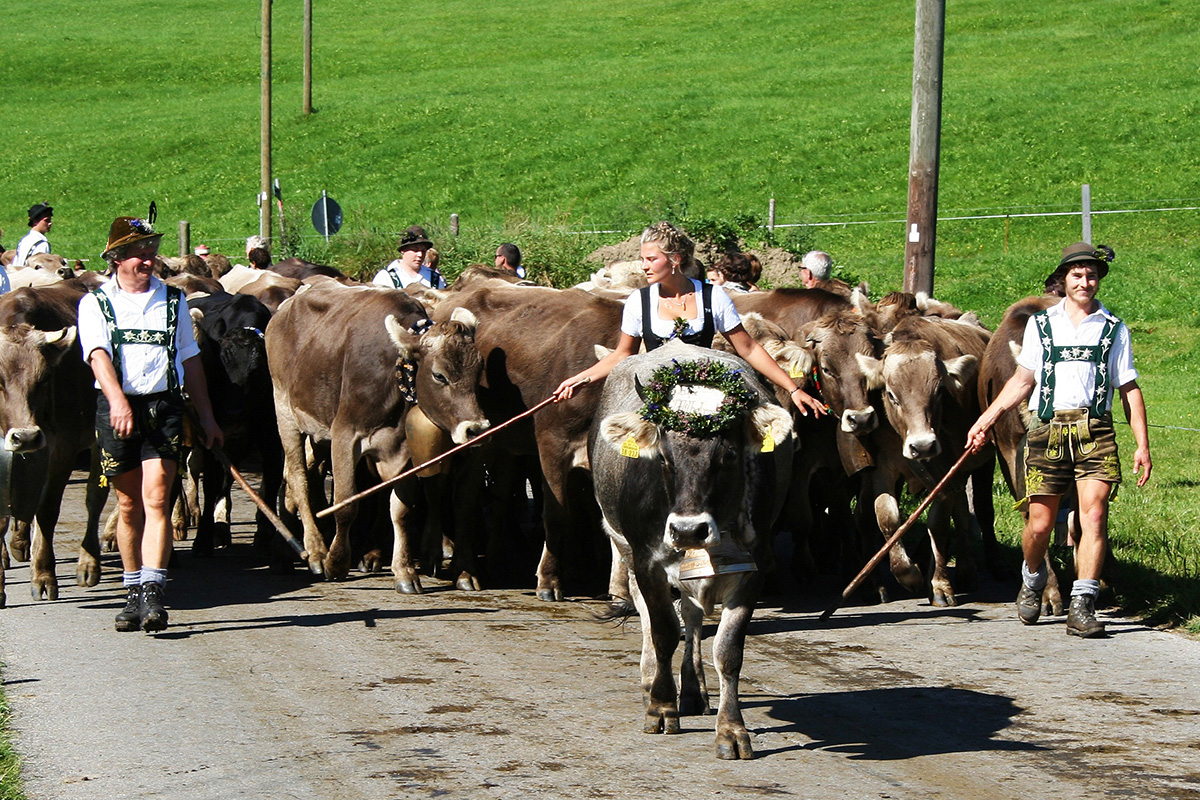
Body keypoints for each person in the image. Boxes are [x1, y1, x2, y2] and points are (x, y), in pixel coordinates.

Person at [966, 242, 1151, 639]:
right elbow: (1022, 380)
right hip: (1048, 430)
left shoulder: (1113, 328)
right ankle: (1032, 577)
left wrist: (1142, 444)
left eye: (1092, 275)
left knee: (1094, 516)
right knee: (1040, 523)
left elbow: (1129, 388)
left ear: (1098, 280)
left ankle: (1082, 604)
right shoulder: (1042, 325)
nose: (1085, 282)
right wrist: (986, 418)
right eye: (1077, 275)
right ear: (1064, 280)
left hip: (1095, 430)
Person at [77, 216, 224, 633]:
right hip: (116, 409)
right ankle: (131, 591)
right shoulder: (96, 303)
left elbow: (191, 361)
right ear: (117, 258)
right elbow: (98, 356)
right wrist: (118, 401)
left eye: (150, 250)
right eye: (138, 253)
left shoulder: (173, 301)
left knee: (157, 499)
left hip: (164, 407)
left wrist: (208, 417)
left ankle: (154, 594)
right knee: (128, 505)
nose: (147, 259)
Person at [553, 221, 825, 417]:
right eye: (642, 259)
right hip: (653, 394)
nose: (644, 266)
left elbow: (749, 348)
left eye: (651, 259)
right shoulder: (639, 300)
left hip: (706, 393)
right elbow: (623, 354)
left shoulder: (713, 297)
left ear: (675, 259)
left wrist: (792, 388)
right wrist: (581, 379)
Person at [374, 225, 447, 289]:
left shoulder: (434, 278)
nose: (420, 255)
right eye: (415, 250)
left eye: (423, 251)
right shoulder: (385, 278)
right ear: (403, 251)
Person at [13, 203, 54, 267]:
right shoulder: (41, 244)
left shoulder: (24, 240)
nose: (50, 223)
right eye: (46, 220)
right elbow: (41, 269)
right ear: (35, 221)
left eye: (50, 220)